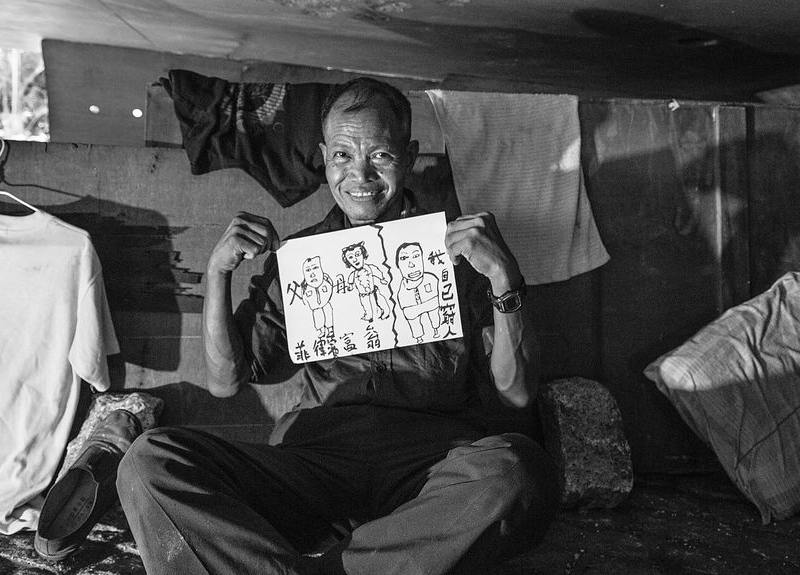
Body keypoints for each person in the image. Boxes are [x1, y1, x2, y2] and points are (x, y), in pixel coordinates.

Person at [117, 77, 560, 575]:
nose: (360, 175)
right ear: (325, 157)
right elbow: (225, 382)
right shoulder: (302, 259)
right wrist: (218, 272)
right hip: (313, 464)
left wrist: (505, 277)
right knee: (149, 461)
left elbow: (518, 394)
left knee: (521, 471)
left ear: (409, 156)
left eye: (381, 156)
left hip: (428, 472)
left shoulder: (460, 255)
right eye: (343, 156)